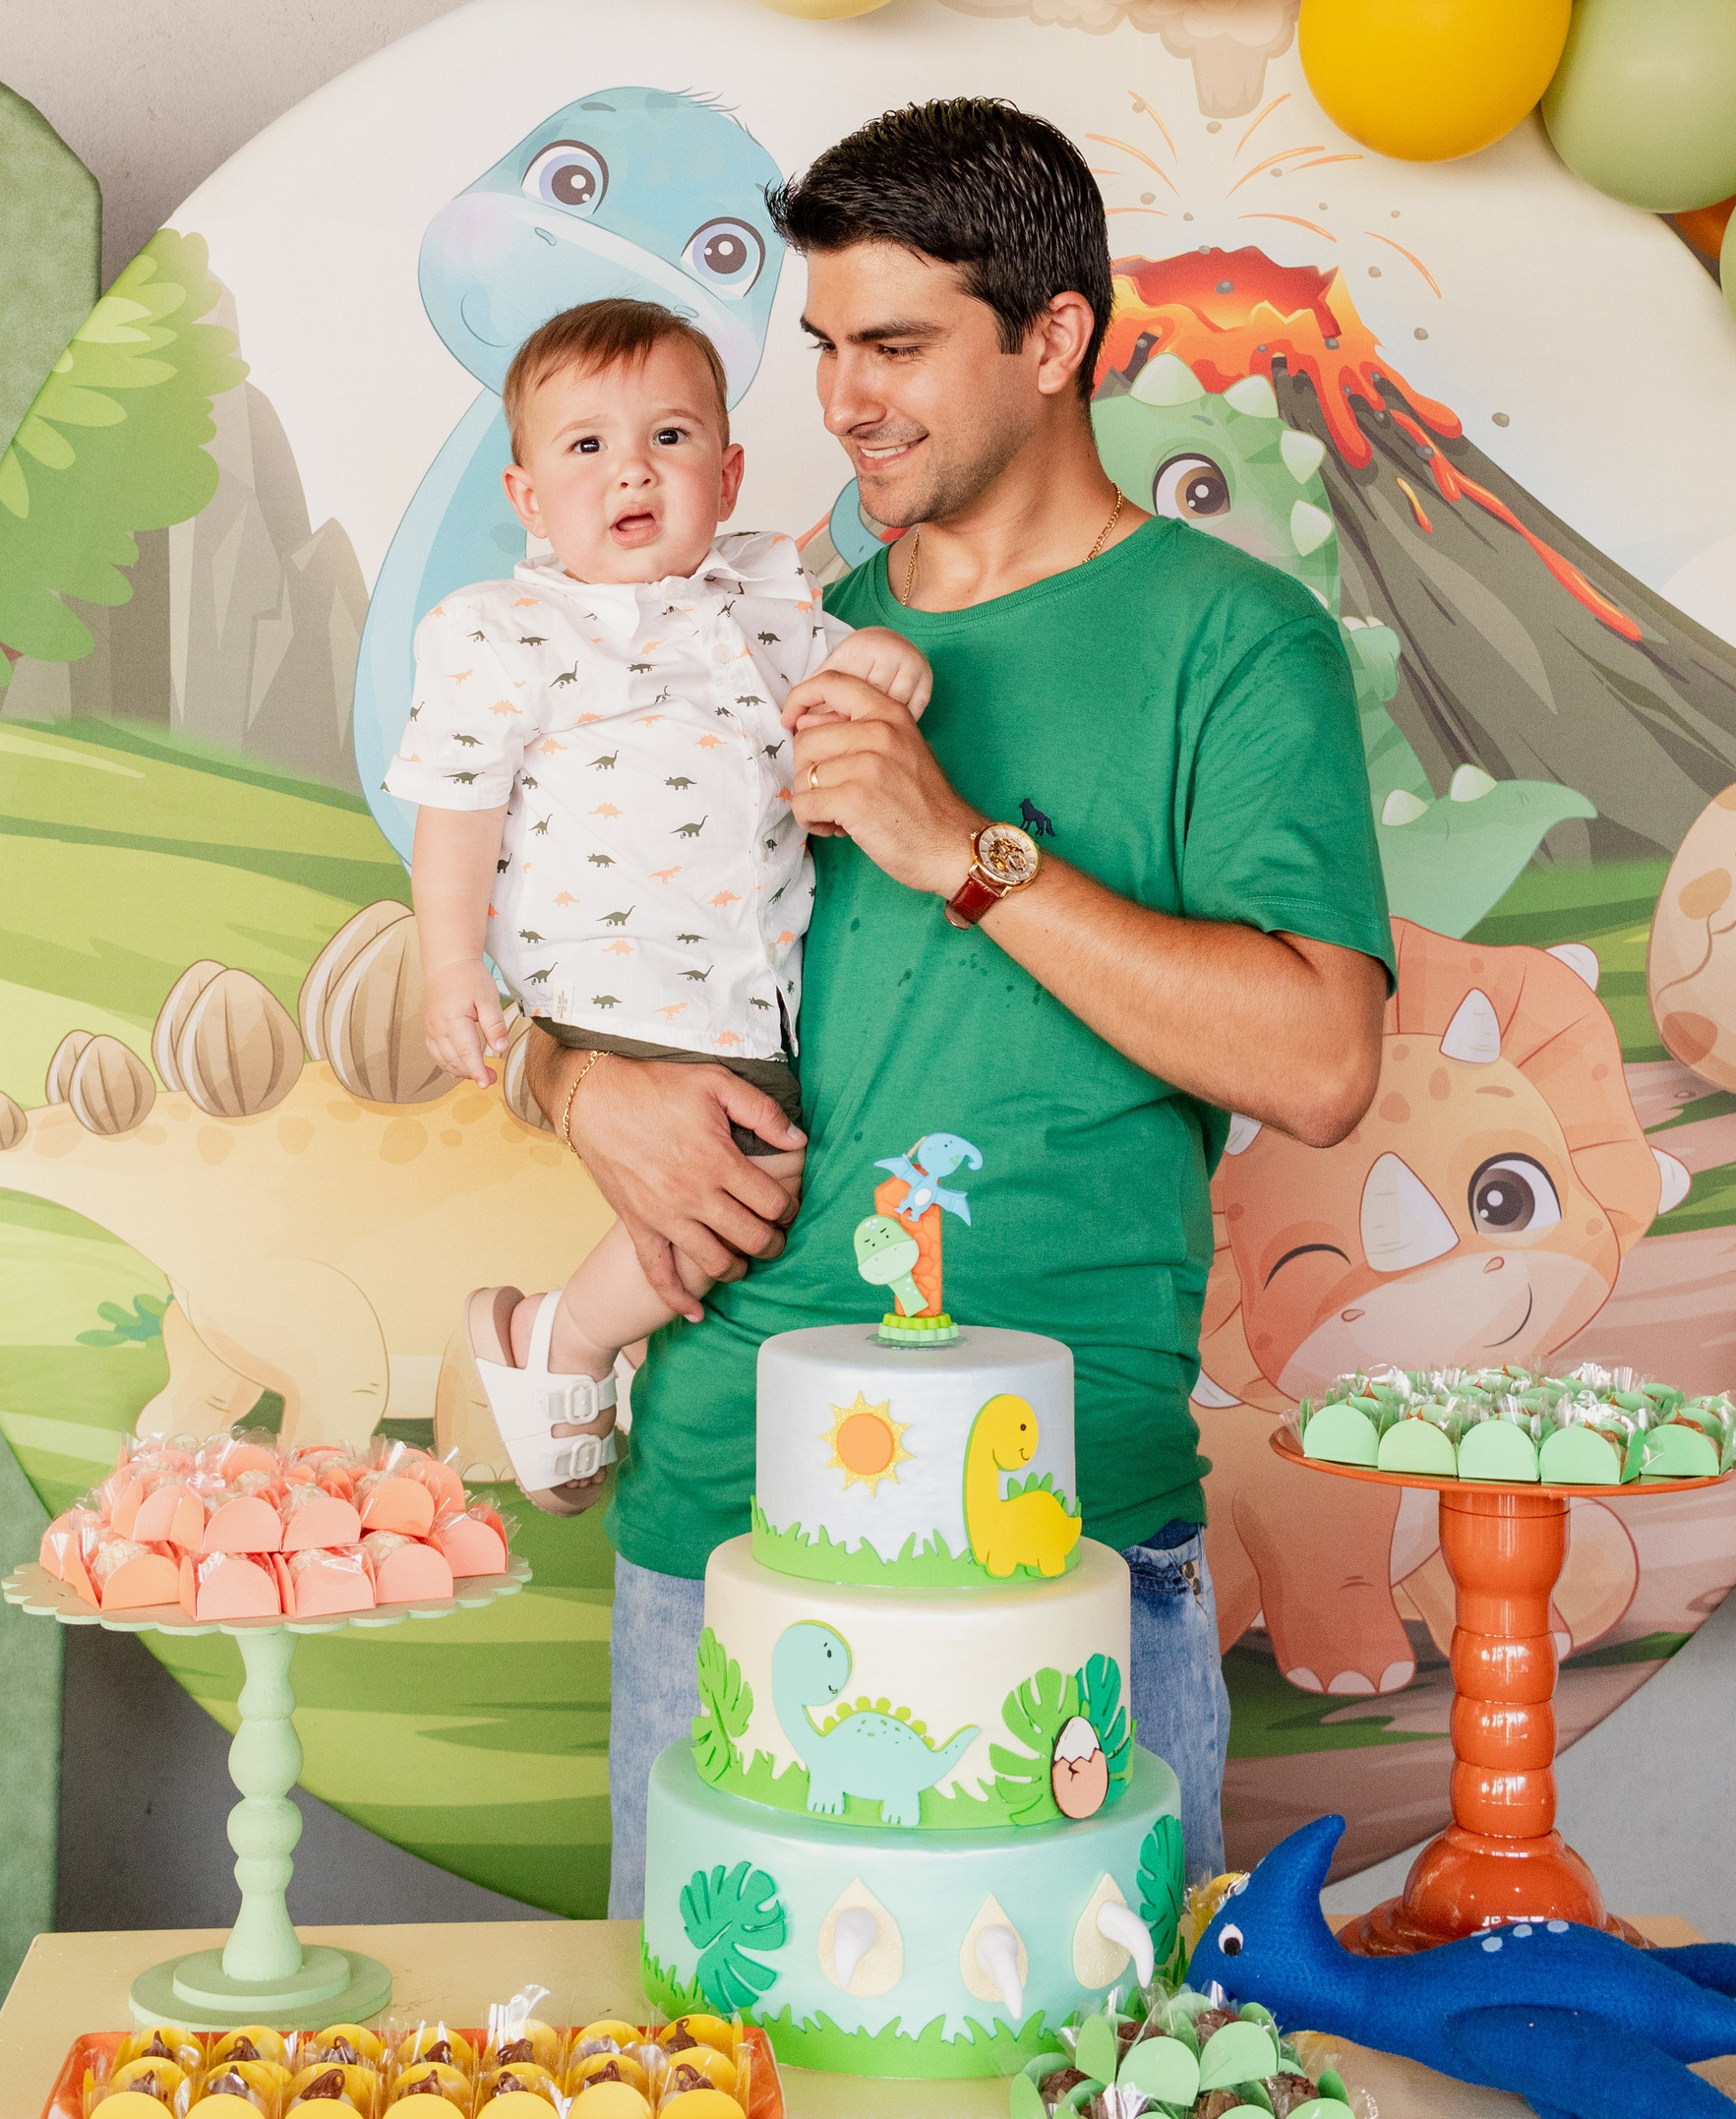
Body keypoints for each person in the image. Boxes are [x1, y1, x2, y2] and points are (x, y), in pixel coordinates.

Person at [521, 98, 1396, 1915]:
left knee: (1098, 2048)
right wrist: (571, 1085)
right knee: (712, 2037)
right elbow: (537, 930)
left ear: (1055, 336)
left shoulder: (1232, 641)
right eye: (828, 345)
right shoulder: (744, 632)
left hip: (1072, 1524)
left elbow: (1320, 1061)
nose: (845, 400)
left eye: (900, 346)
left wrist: (964, 853)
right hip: (722, 1508)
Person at [386, 296, 928, 1509]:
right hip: (610, 979)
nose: (631, 469)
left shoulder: (777, 614)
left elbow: (841, 735)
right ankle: (570, 1339)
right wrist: (451, 965)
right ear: (530, 498)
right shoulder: (505, 632)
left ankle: (564, 1334)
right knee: (746, 1185)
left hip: (747, 991)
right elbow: (458, 807)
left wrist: (883, 669)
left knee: (747, 1187)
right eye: (587, 446)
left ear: (726, 476)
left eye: (669, 438)